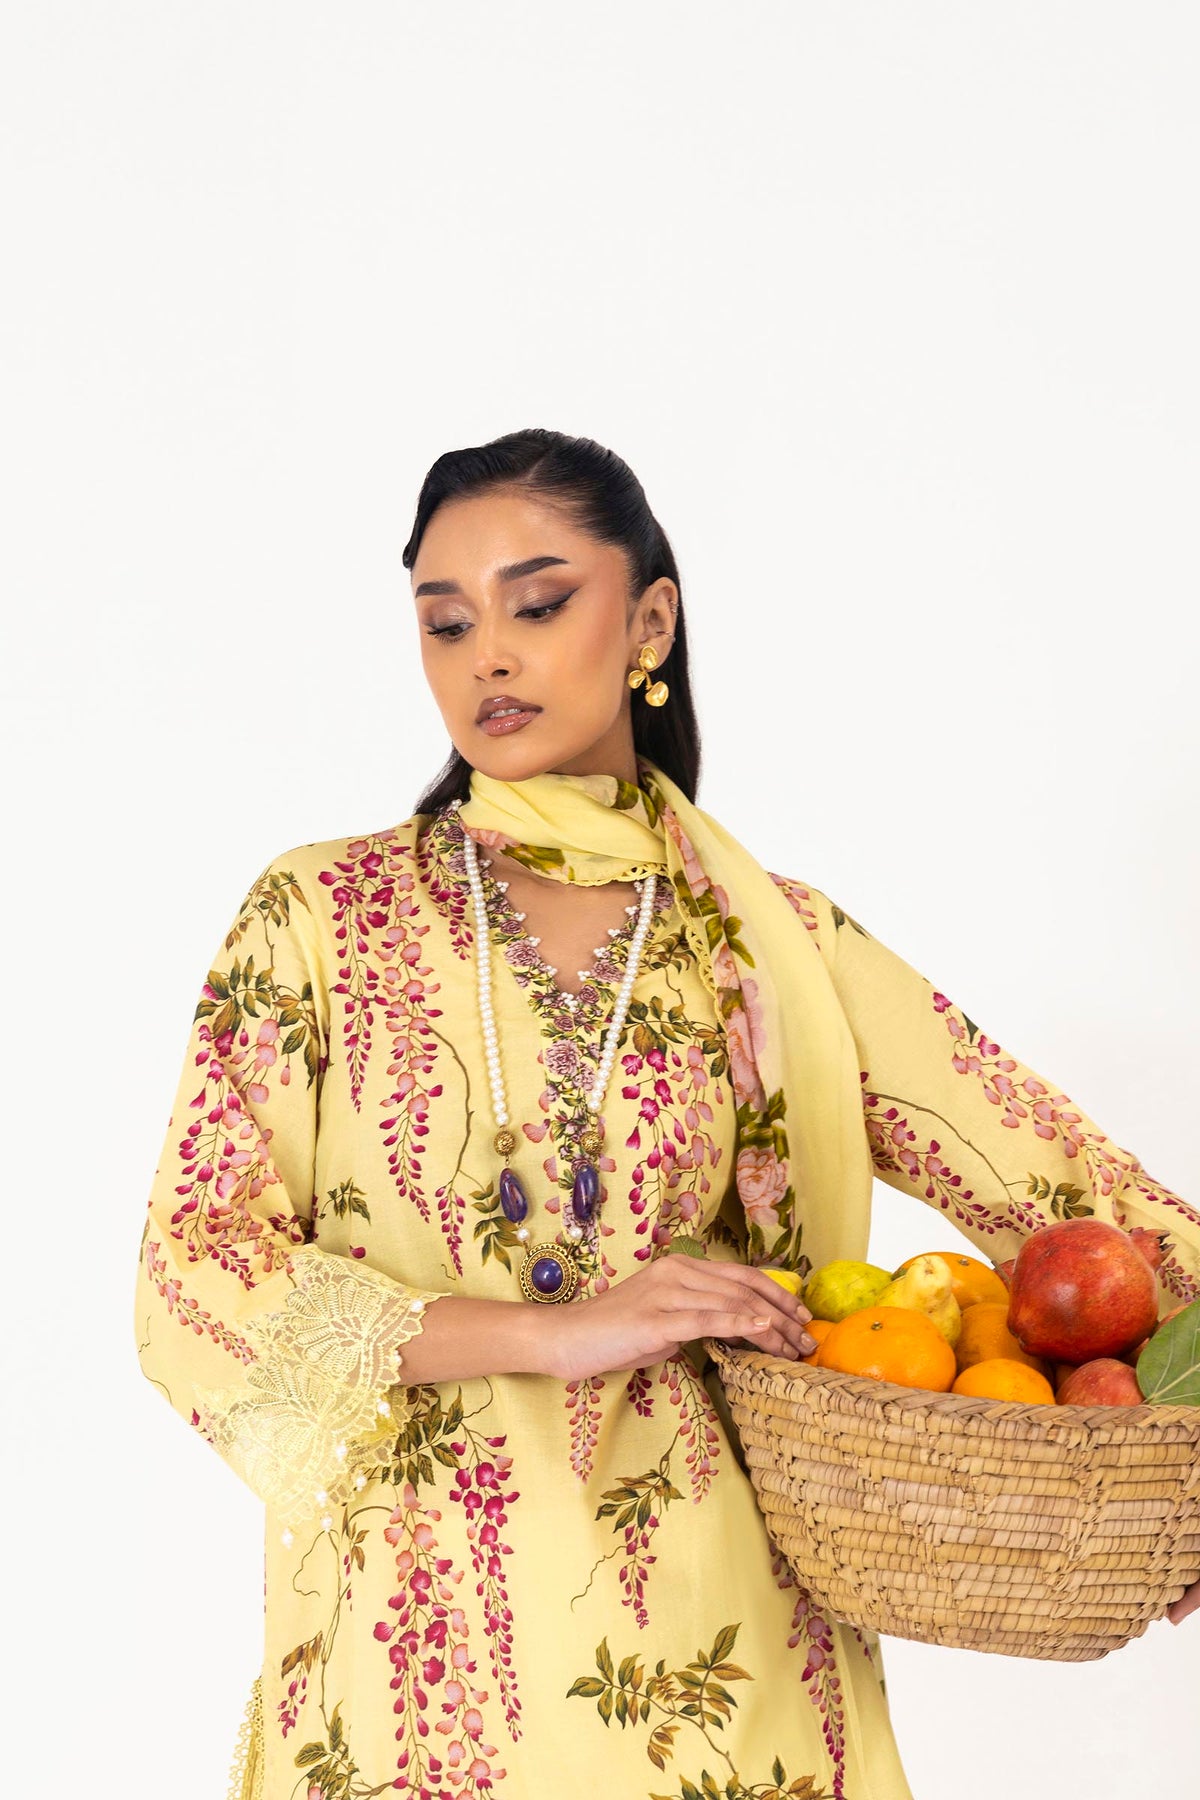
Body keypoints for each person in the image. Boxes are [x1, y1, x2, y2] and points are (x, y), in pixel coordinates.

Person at [133, 428, 1200, 1800]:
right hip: (416, 1657)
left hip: (721, 1649)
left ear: (649, 621)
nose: (488, 657)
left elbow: (1072, 1200)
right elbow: (195, 1275)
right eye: (445, 623)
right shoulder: (320, 917)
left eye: (537, 604)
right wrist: (557, 1333)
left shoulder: (775, 946)